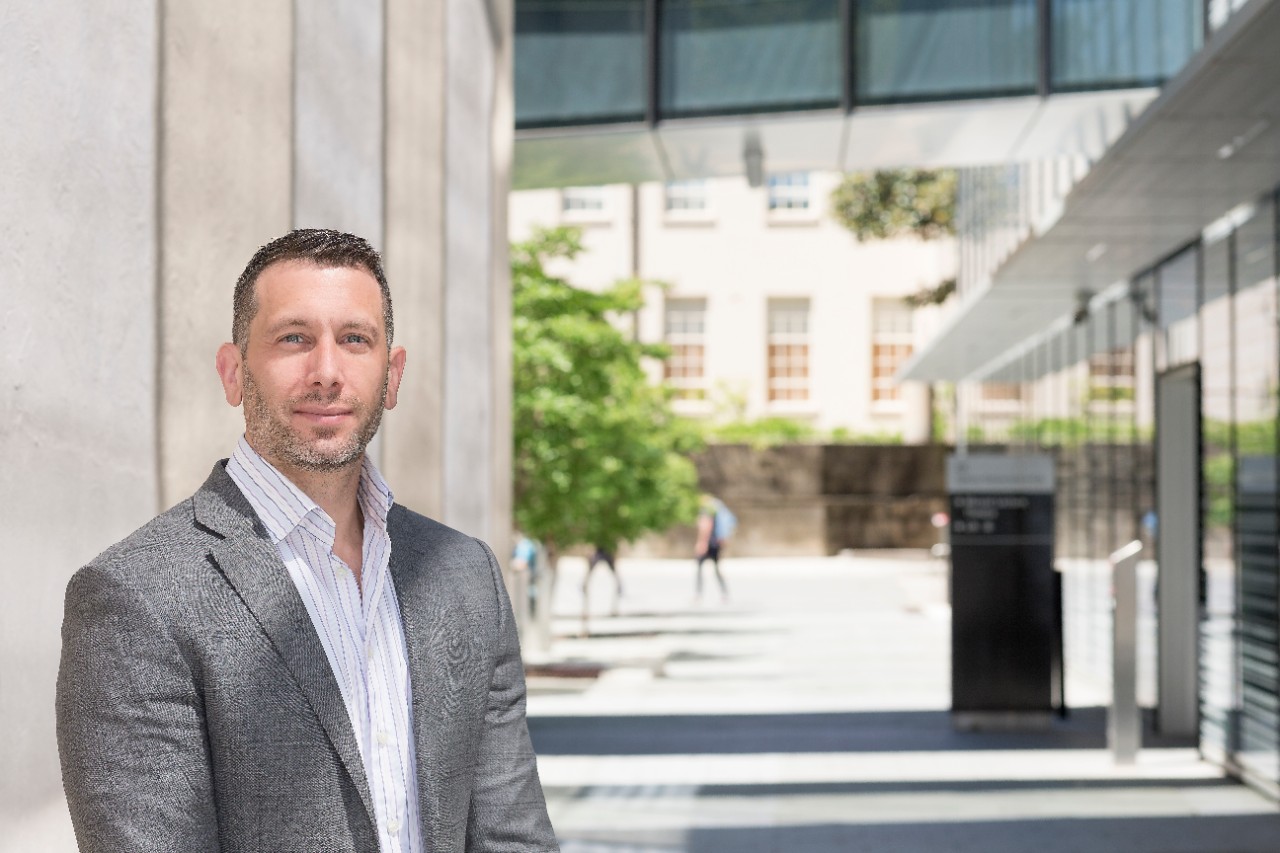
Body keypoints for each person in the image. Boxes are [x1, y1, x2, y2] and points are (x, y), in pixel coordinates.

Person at [56, 230, 558, 852]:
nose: (327, 372)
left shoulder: (464, 575)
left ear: (392, 374)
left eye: (355, 340)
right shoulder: (137, 596)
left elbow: (514, 837)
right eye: (293, 339)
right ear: (234, 371)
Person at [694, 496, 735, 602]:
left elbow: (705, 526)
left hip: (708, 543)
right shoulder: (715, 509)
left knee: (700, 569)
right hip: (715, 543)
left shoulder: (705, 509)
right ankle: (724, 593)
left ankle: (698, 594)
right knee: (716, 568)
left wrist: (702, 543)